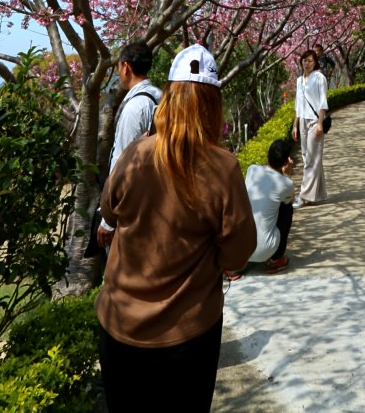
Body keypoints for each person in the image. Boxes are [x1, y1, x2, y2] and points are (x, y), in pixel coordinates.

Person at [96, 43, 256, 413]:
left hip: (120, 326)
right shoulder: (223, 168)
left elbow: (109, 208)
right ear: (213, 105)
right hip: (188, 335)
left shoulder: (136, 153)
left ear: (168, 98)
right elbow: (237, 252)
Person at [97, 40, 162, 250]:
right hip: (156, 198)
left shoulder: (135, 107)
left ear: (126, 67)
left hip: (134, 209)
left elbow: (122, 163)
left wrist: (108, 219)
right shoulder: (159, 96)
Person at [240, 137, 294, 275]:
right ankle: (275, 259)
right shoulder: (285, 183)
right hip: (265, 250)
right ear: (287, 161)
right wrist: (287, 175)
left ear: (268, 155)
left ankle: (234, 268)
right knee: (287, 207)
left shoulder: (252, 170)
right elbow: (290, 198)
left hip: (241, 249)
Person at [292, 47, 329, 204]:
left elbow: (322, 102)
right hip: (302, 122)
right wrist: (295, 125)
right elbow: (298, 105)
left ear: (315, 63)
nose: (306, 63)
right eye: (304, 60)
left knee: (311, 159)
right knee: (308, 157)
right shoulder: (299, 80)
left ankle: (304, 196)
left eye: (310, 61)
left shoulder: (319, 77)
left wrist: (320, 123)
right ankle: (318, 194)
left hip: (315, 121)